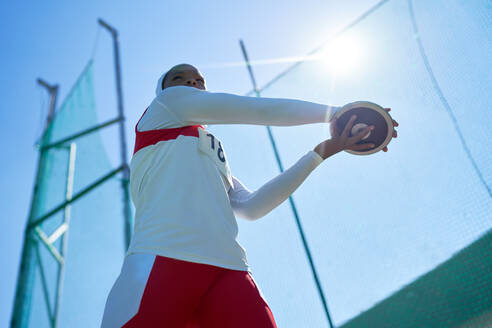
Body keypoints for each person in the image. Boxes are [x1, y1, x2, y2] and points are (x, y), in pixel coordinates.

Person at [101, 63, 399, 328]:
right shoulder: (164, 107)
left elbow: (251, 207)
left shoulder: (214, 152)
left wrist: (322, 152)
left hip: (229, 270)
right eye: (180, 78)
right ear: (163, 90)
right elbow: (260, 110)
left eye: (199, 80)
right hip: (162, 260)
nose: (192, 83)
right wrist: (337, 113)